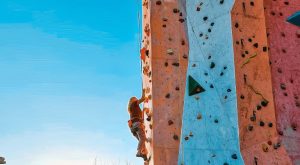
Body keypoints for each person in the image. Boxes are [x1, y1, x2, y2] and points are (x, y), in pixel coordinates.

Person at [128, 89, 148, 161]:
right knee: (143, 139)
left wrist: (143, 111)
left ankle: (143, 154)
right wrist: (143, 92)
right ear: (133, 100)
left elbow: (140, 117)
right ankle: (139, 152)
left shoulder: (133, 109)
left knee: (142, 140)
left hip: (133, 127)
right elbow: (142, 98)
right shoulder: (133, 104)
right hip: (137, 124)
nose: (136, 99)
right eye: (135, 98)